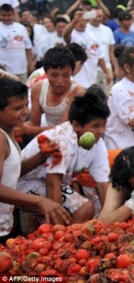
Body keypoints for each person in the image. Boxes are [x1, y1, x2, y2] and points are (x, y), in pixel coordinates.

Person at [17, 90, 110, 224]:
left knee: (92, 211)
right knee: (83, 209)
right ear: (76, 125)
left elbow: (103, 185)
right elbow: (52, 183)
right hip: (23, 183)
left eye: (103, 125)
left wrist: (111, 218)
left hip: (48, 183)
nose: (101, 131)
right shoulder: (63, 140)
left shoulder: (98, 143)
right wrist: (58, 230)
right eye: (96, 126)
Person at [0, 78, 70, 242]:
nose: (25, 112)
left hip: (6, 221)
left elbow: (12, 172)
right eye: (18, 108)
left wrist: (42, 156)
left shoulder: (8, 131)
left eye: (25, 105)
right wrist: (39, 201)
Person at [23, 46, 86, 136]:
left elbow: (63, 129)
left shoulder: (77, 92)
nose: (60, 82)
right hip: (48, 135)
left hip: (71, 137)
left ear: (71, 73)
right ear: (46, 72)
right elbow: (34, 122)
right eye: (55, 75)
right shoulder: (38, 89)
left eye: (65, 76)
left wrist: (27, 130)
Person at [0, 4, 34, 83]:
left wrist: (30, 64)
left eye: (8, 15)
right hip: (3, 70)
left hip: (20, 68)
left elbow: (28, 47)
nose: (6, 17)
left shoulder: (21, 28)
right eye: (3, 15)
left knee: (21, 91)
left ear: (13, 14)